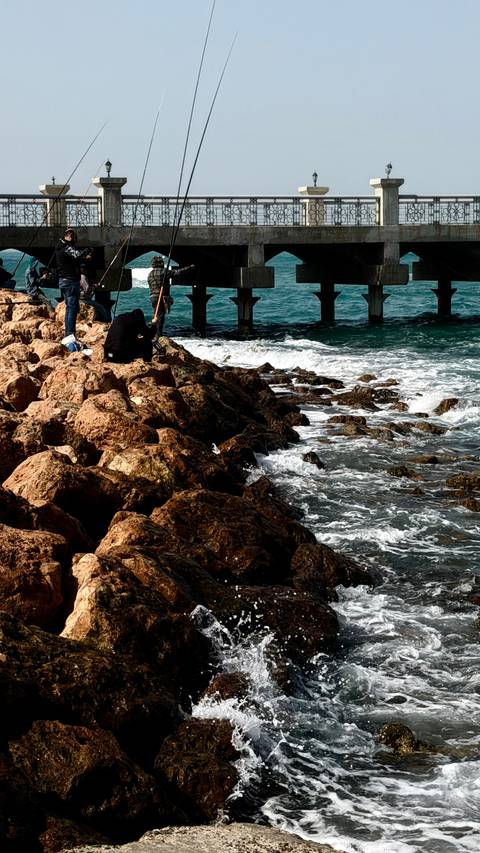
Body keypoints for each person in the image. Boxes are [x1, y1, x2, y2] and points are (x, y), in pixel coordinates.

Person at [53, 227, 93, 342]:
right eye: (73, 236)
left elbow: (75, 258)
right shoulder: (67, 248)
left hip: (64, 281)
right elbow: (77, 255)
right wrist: (87, 250)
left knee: (69, 308)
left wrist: (84, 256)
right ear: (68, 236)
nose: (74, 239)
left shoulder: (60, 248)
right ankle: (70, 335)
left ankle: (68, 333)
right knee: (72, 308)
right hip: (70, 281)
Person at [147, 256, 194, 335]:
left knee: (156, 314)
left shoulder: (150, 273)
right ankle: (159, 334)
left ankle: (154, 332)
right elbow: (177, 272)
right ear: (161, 263)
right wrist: (189, 267)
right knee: (161, 316)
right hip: (161, 296)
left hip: (153, 297)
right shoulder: (164, 272)